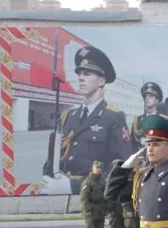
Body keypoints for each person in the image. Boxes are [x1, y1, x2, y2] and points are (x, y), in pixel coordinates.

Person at [41, 46, 132, 195]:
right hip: (59, 194)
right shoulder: (68, 115)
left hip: (92, 198)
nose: (80, 78)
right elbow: (52, 157)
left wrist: (74, 187)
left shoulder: (114, 117)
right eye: (80, 73)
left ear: (101, 80)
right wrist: (48, 179)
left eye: (87, 73)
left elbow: (121, 168)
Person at [79, 161, 108, 228]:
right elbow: (84, 198)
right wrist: (87, 210)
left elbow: (106, 196)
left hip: (100, 209)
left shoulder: (102, 181)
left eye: (100, 168)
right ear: (93, 168)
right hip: (91, 209)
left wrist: (106, 209)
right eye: (97, 167)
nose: (99, 169)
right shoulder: (88, 182)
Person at [131, 81, 167, 150]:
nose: (147, 98)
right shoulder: (137, 120)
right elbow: (132, 143)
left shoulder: (163, 120)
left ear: (157, 100)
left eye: (150, 96)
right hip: (139, 157)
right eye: (145, 96)